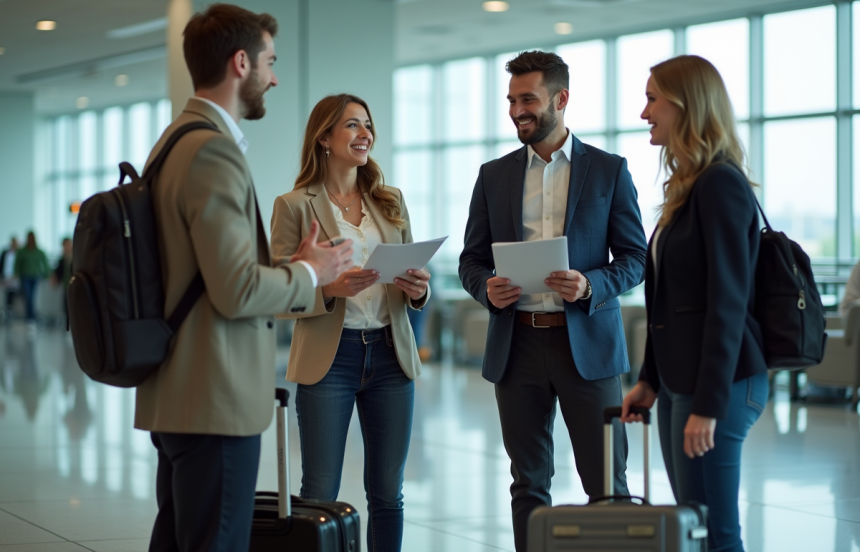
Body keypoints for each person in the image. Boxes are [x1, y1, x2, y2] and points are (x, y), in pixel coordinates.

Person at [133, 4, 354, 552]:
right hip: (215, 395)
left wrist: (290, 266)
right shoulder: (213, 152)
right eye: (269, 62)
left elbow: (208, 274)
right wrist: (310, 271)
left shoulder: (172, 143)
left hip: (178, 390)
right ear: (240, 63)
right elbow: (237, 291)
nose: (274, 76)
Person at [459, 50, 647, 552]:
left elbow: (635, 257)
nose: (518, 110)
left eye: (529, 99)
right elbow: (471, 261)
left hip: (588, 347)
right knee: (528, 483)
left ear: (561, 99)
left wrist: (590, 285)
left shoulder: (608, 171)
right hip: (516, 346)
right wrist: (486, 287)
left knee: (608, 483)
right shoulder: (493, 176)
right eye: (512, 100)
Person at [621, 55, 769, 552]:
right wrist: (649, 380)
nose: (645, 113)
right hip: (683, 380)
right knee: (694, 523)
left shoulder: (720, 184)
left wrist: (708, 405)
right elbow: (667, 302)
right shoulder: (687, 188)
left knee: (716, 529)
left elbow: (728, 302)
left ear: (686, 106)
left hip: (720, 385)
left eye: (652, 99)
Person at [270, 93, 430, 552]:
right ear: (324, 138)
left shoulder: (389, 199)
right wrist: (328, 290)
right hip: (330, 358)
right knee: (319, 490)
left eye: (368, 125)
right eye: (352, 126)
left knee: (388, 491)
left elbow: (412, 274)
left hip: (390, 355)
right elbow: (279, 292)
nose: (365, 135)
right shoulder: (295, 205)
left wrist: (419, 290)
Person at [14, 231, 50, 326]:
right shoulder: (22, 252)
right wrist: (16, 274)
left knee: (32, 297)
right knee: (28, 296)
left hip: (35, 276)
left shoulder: (38, 252)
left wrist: (46, 275)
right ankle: (29, 317)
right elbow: (17, 264)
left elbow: (45, 264)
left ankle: (31, 317)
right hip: (25, 276)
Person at [52, 237, 73, 326]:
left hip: (74, 284)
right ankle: (68, 322)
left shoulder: (76, 256)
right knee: (66, 304)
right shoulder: (62, 259)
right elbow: (58, 271)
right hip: (66, 284)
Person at [0, 236, 19, 319]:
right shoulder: (5, 252)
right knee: (6, 293)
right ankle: (7, 312)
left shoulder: (18, 254)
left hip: (14, 277)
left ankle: (11, 311)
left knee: (12, 293)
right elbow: (1, 264)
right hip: (5, 276)